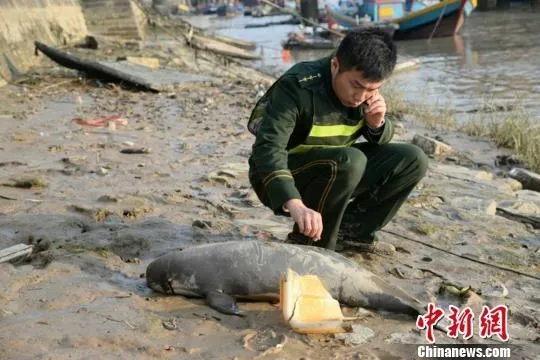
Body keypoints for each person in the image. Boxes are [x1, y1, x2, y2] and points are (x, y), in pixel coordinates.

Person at [247, 28, 428, 253]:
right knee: (350, 160)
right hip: (278, 177)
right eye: (356, 86)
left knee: (413, 158)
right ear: (335, 66)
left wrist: (376, 124)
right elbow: (268, 148)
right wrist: (294, 203)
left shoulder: (367, 92)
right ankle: (311, 242)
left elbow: (380, 139)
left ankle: (351, 233)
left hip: (336, 172)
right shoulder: (298, 86)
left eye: (372, 89)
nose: (361, 96)